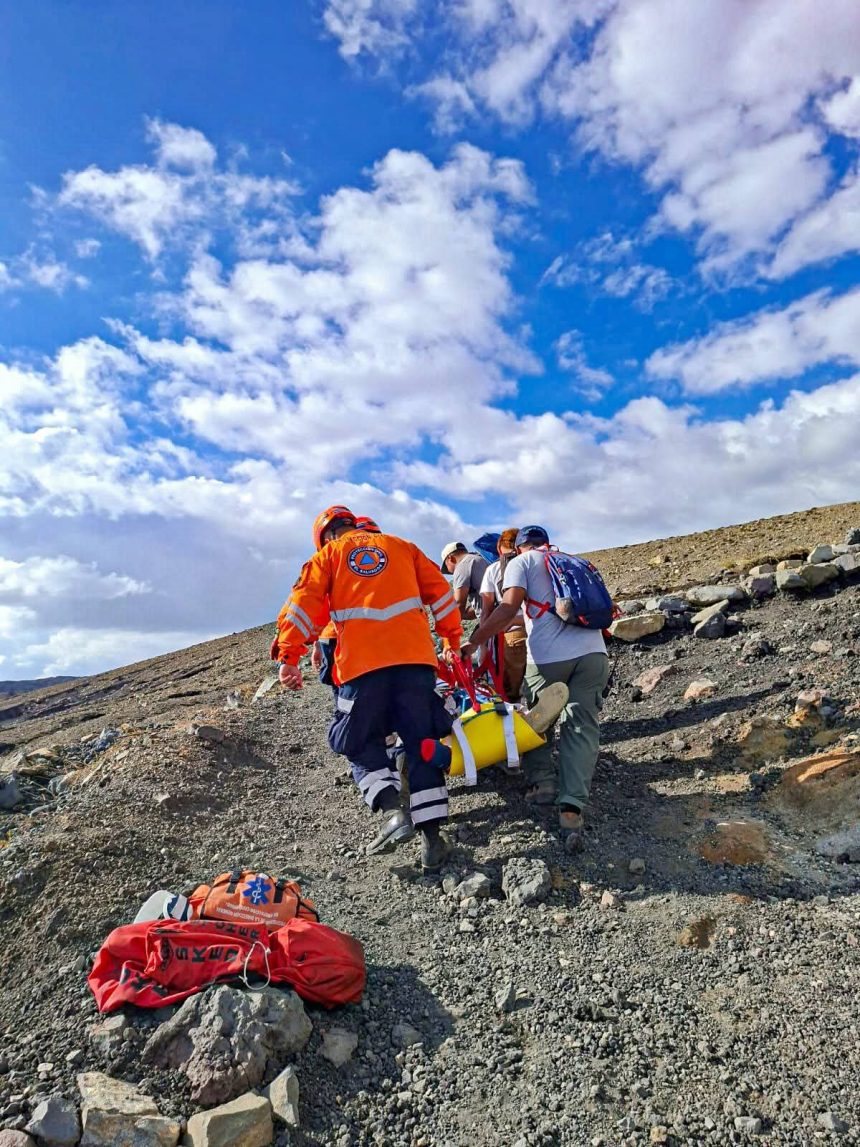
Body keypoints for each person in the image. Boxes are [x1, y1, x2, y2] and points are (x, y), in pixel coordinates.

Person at [274, 505, 463, 871]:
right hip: (417, 666)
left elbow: (302, 606)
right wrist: (451, 640)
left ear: (325, 537)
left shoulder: (328, 557)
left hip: (362, 668)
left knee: (356, 740)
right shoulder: (402, 546)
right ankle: (432, 842)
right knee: (422, 744)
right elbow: (441, 594)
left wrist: (289, 657)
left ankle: (394, 813)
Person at [461, 524, 610, 853]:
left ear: (521, 546)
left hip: (548, 658)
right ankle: (572, 807)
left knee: (535, 720)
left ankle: (543, 784)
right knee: (581, 725)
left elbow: (509, 607)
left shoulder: (521, 563)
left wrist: (475, 641)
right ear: (546, 542)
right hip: (595, 655)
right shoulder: (573, 560)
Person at [479, 527, 527, 701]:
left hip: (511, 635)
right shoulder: (534, 564)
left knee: (510, 696)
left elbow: (486, 610)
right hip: (541, 631)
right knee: (539, 690)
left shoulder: (493, 570)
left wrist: (482, 643)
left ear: (499, 548)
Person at [440, 541, 488, 619]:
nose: (451, 572)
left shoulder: (462, 566)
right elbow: (482, 605)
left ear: (450, 558)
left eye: (447, 567)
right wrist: (464, 615)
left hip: (494, 620)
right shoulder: (480, 559)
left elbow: (458, 603)